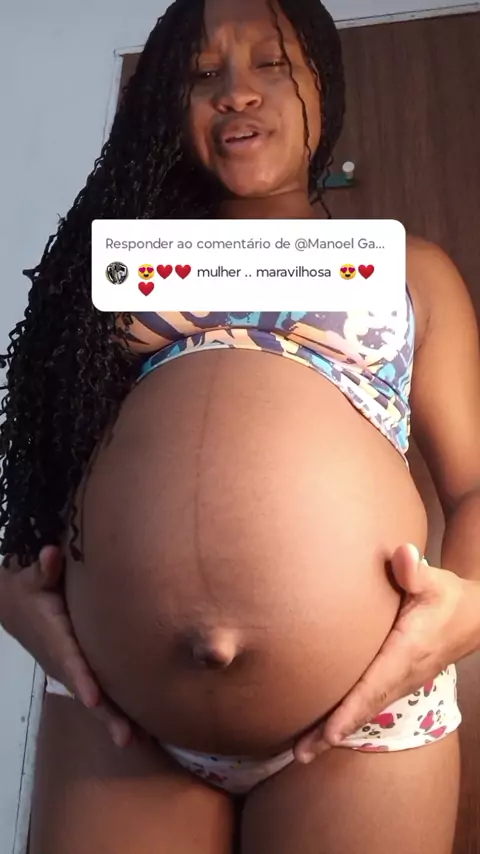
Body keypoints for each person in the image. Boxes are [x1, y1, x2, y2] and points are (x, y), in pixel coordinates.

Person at [1, 0, 480, 851]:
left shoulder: (411, 268)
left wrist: (470, 605)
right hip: (121, 713)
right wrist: (7, 584)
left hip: (364, 713)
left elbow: (474, 485)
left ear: (325, 88)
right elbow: (33, 456)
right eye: (201, 74)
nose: (236, 92)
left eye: (272, 63)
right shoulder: (111, 272)